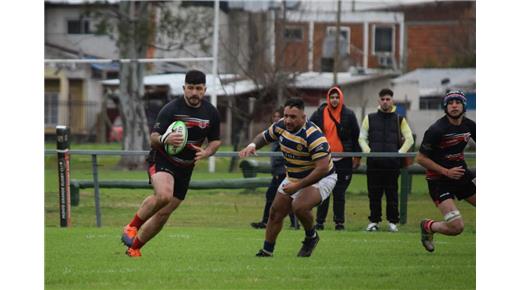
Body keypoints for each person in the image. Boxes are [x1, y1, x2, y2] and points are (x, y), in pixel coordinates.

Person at [121, 70, 221, 257]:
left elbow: (215, 140)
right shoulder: (171, 109)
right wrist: (165, 139)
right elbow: (153, 138)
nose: (194, 93)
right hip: (163, 159)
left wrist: (207, 152)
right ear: (184, 88)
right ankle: (131, 227)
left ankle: (134, 248)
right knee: (164, 195)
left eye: (198, 88)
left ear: (204, 90)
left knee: (163, 213)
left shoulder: (211, 113)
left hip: (186, 167)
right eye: (190, 88)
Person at [239, 98, 337, 257]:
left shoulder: (313, 135)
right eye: (286, 116)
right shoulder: (281, 126)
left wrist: (297, 187)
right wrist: (252, 145)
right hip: (294, 176)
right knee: (275, 212)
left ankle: (311, 237)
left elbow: (322, 168)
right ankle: (267, 251)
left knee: (299, 206)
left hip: (322, 177)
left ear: (303, 117)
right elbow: (264, 136)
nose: (288, 120)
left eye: (293, 117)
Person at [416, 90, 475, 252]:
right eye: (450, 103)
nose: (454, 106)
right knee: (456, 227)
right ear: (445, 107)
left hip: (461, 177)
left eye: (458, 102)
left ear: (464, 105)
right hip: (439, 181)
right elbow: (420, 159)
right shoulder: (436, 129)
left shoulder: (470, 125)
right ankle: (428, 226)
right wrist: (446, 172)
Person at [359, 88, 414, 232]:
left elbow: (410, 139)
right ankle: (373, 222)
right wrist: (369, 152)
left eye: (388, 99)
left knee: (392, 194)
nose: (385, 102)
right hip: (374, 163)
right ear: (379, 101)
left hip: (392, 164)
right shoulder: (369, 118)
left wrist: (399, 153)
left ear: (392, 101)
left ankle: (392, 222)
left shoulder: (399, 119)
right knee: (374, 194)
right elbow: (361, 138)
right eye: (382, 99)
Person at [309, 86, 361, 231]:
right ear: (328, 98)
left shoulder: (349, 114)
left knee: (339, 192)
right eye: (332, 97)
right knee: (323, 192)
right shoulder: (319, 113)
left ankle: (339, 223)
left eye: (337, 97)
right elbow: (309, 131)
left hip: (344, 160)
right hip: (324, 160)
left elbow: (356, 136)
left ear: (341, 98)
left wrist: (357, 156)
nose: (334, 100)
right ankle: (320, 222)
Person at [250, 109, 299, 230]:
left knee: (281, 197)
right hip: (277, 170)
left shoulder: (283, 132)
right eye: (274, 116)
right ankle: (267, 222)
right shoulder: (273, 132)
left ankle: (294, 223)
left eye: (279, 116)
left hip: (283, 170)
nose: (276, 118)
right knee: (272, 196)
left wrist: (280, 170)